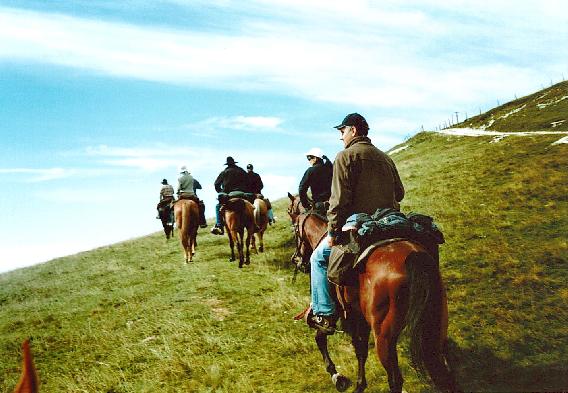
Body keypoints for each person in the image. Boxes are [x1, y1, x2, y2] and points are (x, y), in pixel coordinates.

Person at [307, 113, 405, 334]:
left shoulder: (345, 156)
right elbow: (400, 193)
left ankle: (325, 314)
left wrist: (332, 232)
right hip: (390, 221)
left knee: (317, 258)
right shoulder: (385, 157)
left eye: (342, 132)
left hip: (360, 222)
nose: (341, 137)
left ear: (352, 130)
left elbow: (339, 200)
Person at [211, 156, 250, 235]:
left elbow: (216, 184)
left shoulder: (224, 172)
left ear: (227, 164)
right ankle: (254, 223)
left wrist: (221, 191)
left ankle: (219, 225)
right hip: (241, 193)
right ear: (234, 163)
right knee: (251, 205)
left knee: (218, 206)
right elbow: (248, 181)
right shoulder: (241, 170)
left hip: (228, 194)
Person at [298, 147, 333, 214]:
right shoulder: (331, 168)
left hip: (320, 207)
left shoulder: (311, 171)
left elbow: (302, 189)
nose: (309, 161)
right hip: (335, 203)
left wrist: (306, 205)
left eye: (309, 158)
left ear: (315, 158)